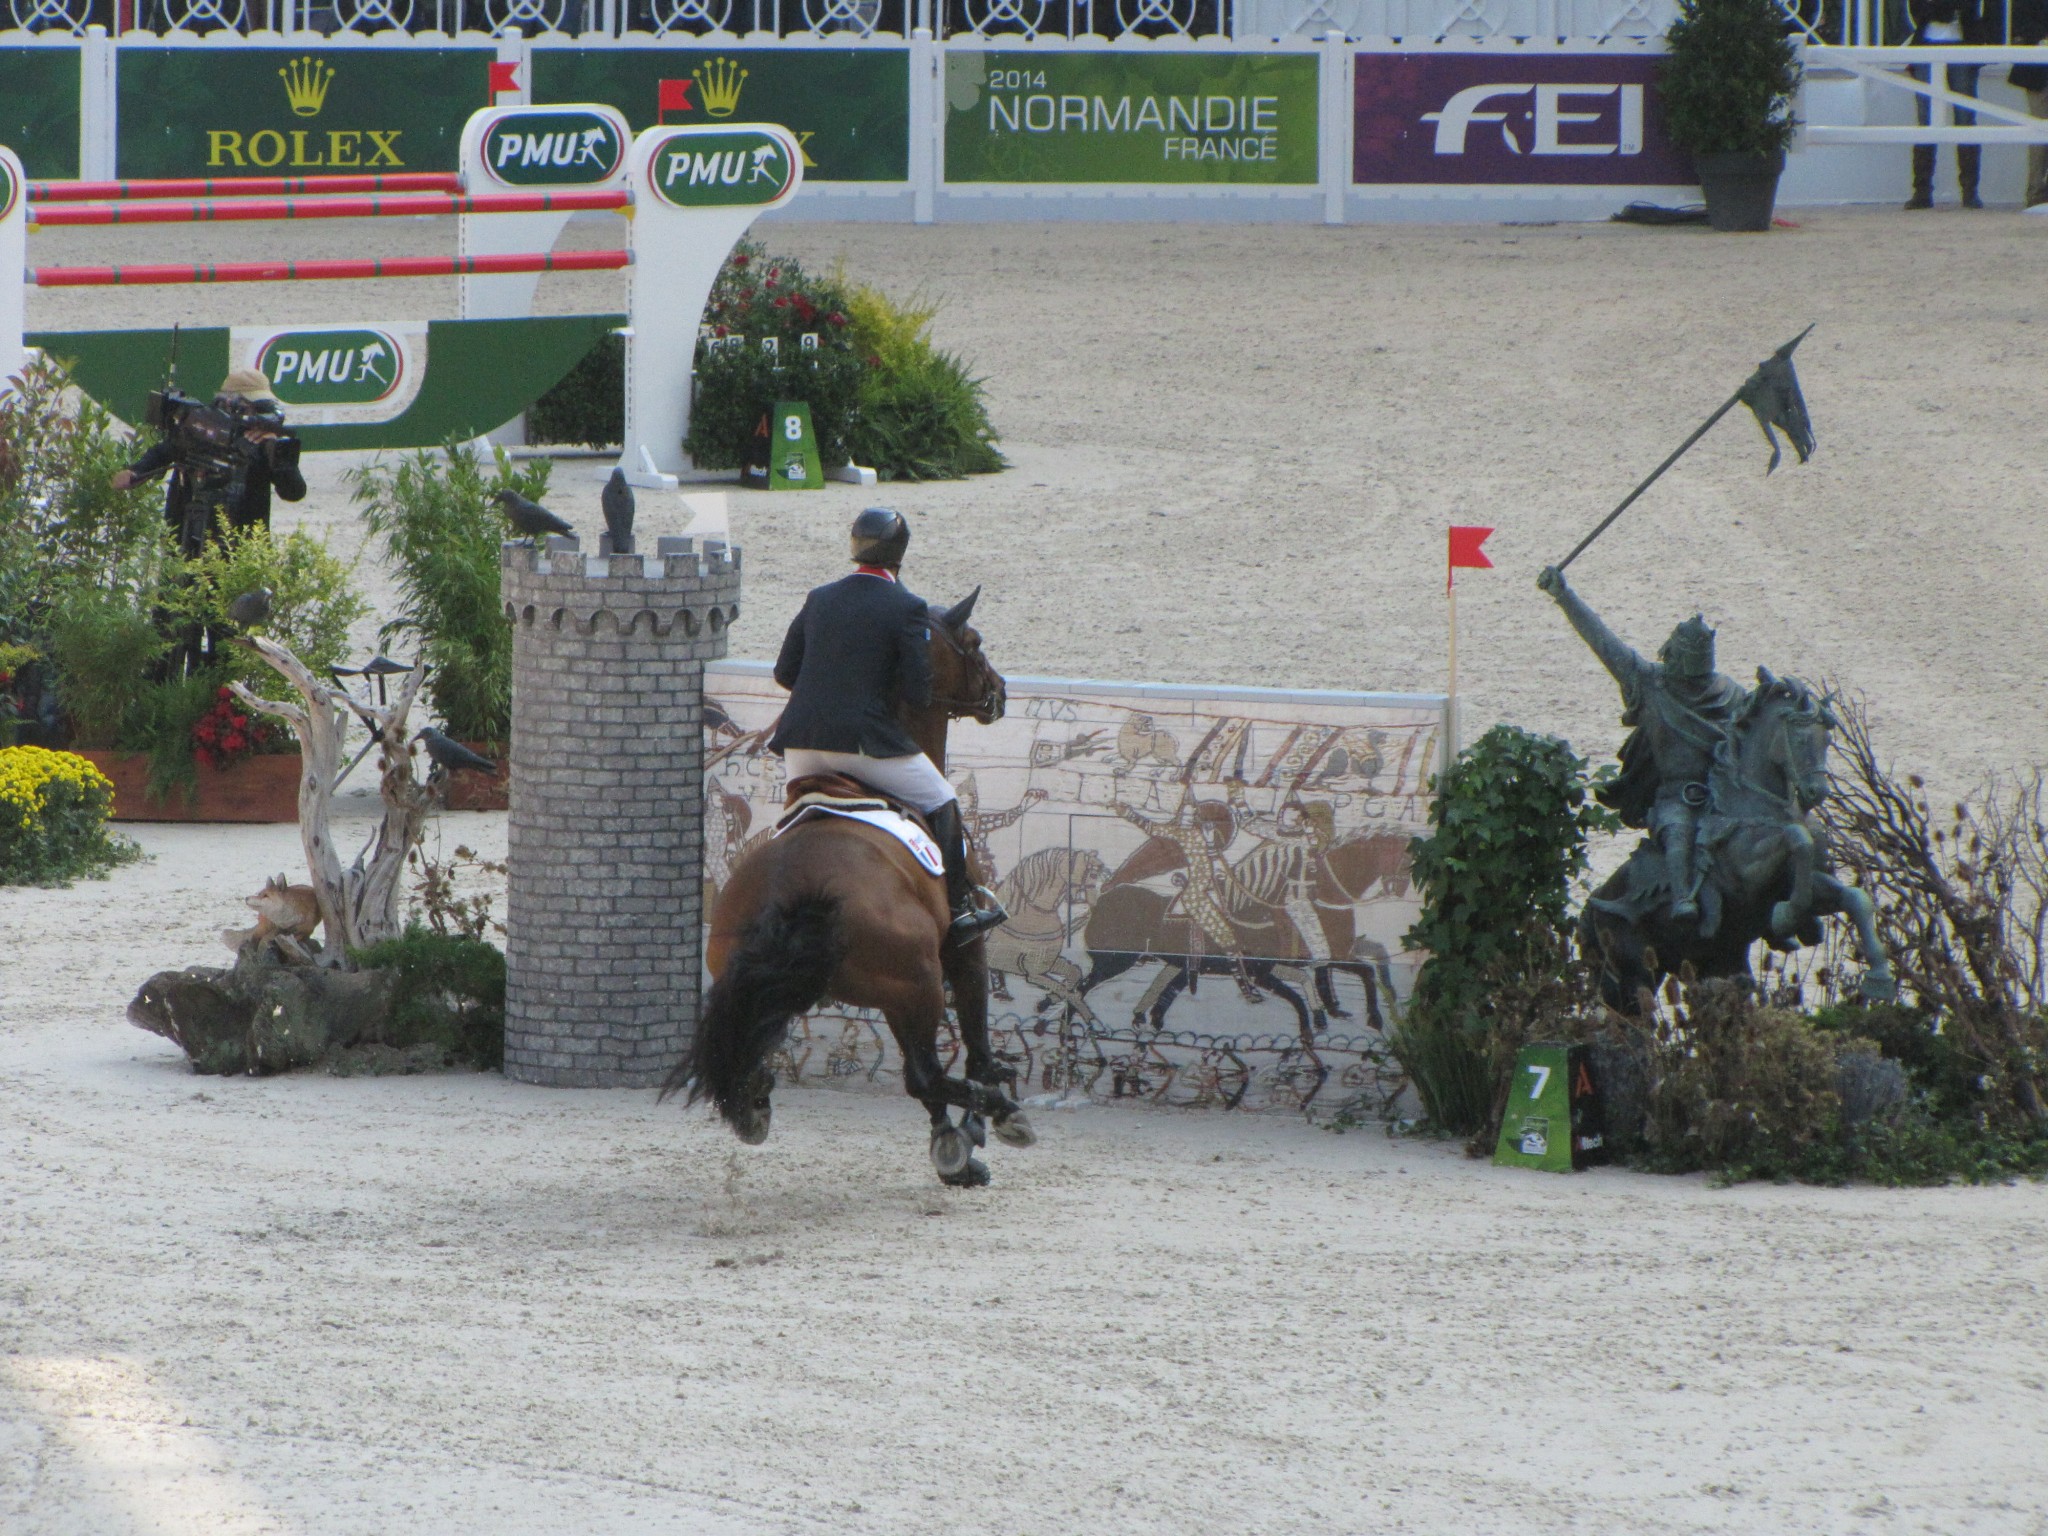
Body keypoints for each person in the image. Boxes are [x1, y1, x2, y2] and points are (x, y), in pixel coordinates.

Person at [769, 507, 1007, 946]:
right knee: (943, 800)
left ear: (854, 545)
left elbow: (786, 673)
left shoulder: (819, 597)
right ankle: (961, 909)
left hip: (801, 747)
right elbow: (917, 693)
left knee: (794, 823)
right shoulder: (907, 606)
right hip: (864, 745)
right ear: (900, 553)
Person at [1537, 566, 1746, 927]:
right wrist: (1564, 595)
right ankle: (1682, 898)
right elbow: (1604, 642)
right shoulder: (1650, 685)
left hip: (1724, 795)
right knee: (1678, 832)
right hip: (1675, 796)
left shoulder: (1730, 693)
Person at [113, 367, 306, 558]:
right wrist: (135, 472)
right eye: (250, 406)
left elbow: (294, 491)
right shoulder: (203, 428)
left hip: (242, 547)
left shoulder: (261, 442)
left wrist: (276, 451)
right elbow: (164, 451)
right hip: (188, 537)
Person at [1904, 0, 2001, 210]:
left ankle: (1969, 192)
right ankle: (1922, 191)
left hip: (1963, 47)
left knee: (1965, 120)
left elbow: (1970, 6)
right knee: (1926, 121)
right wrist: (1948, 8)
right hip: (1926, 48)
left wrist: (1939, 7)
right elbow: (1918, 9)